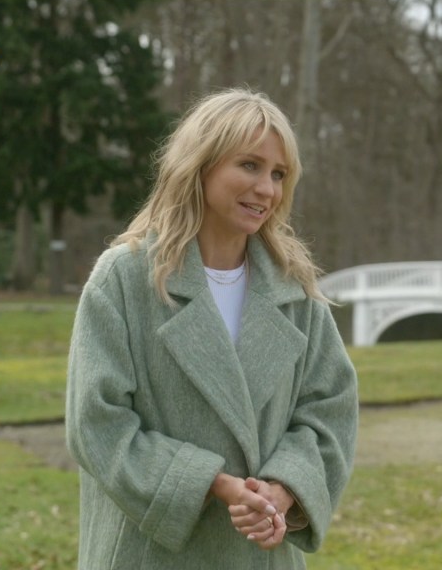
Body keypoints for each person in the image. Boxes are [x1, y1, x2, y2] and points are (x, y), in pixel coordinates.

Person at [64, 87, 359, 569]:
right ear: (199, 165)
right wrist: (211, 483)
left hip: (260, 554)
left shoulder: (295, 290)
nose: (266, 189)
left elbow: (330, 408)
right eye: (250, 165)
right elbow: (96, 422)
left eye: (278, 174)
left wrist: (284, 488)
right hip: (148, 554)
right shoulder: (125, 279)